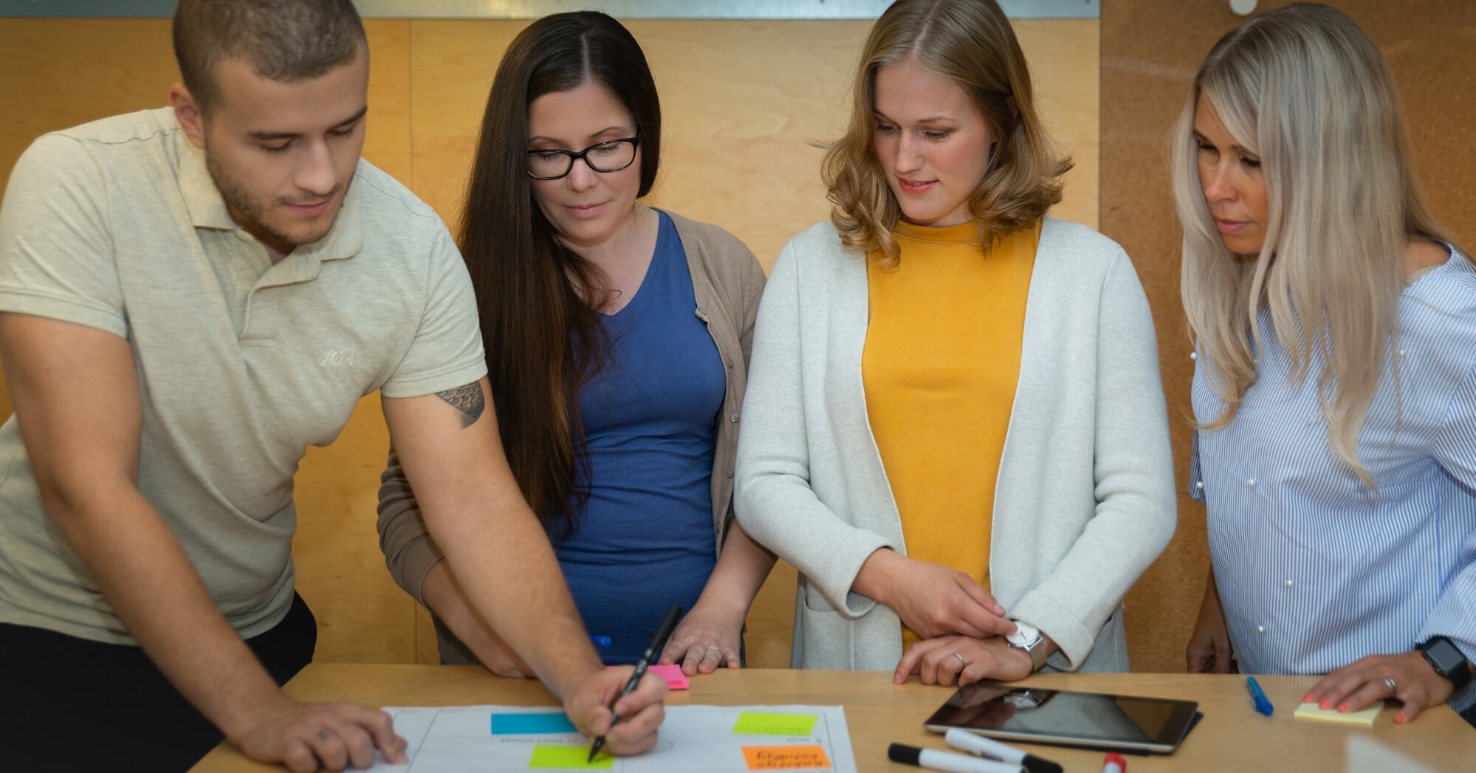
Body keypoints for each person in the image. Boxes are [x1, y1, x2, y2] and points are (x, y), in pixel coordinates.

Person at [0, 2, 665, 770]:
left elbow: (474, 499)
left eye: (345, 129)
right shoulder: (77, 180)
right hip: (50, 639)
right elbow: (86, 485)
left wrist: (579, 677)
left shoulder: (410, 247)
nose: (321, 175)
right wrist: (260, 713)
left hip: (258, 634)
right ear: (192, 116)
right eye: (276, 142)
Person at [733, 0, 1175, 685]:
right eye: (886, 127)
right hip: (858, 677)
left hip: (1042, 684)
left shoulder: (1094, 274)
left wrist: (1025, 641)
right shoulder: (808, 268)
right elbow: (764, 483)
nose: (903, 158)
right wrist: (889, 577)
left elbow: (1141, 501)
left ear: (1003, 119)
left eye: (935, 132)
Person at [376, 11, 775, 677]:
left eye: (607, 145)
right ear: (514, 157)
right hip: (514, 670)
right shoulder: (465, 285)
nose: (581, 179)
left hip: (689, 664)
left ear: (645, 136)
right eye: (548, 154)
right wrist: (482, 629)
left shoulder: (723, 266)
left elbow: (772, 471)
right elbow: (405, 499)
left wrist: (721, 609)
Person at [1176, 3, 1476, 727]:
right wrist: (1220, 599)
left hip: (1405, 727)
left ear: (1334, 160)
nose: (1216, 187)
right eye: (1207, 149)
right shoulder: (1243, 278)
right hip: (1282, 711)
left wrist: (1445, 657)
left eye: (1251, 160)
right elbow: (1254, 473)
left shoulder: (1442, 319)